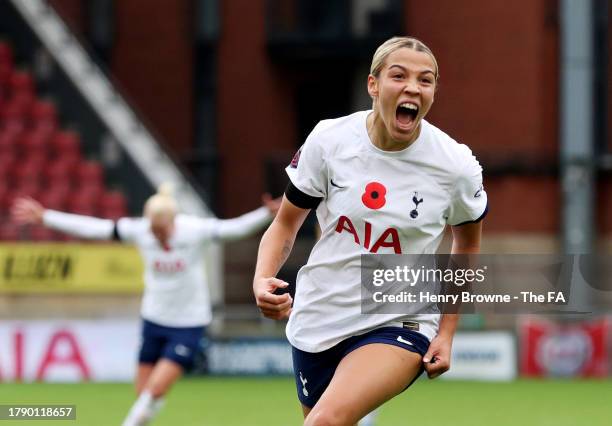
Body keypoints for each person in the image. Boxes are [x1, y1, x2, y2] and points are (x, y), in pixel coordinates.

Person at [253, 36, 487, 426]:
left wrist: (446, 332)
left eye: (425, 80)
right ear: (373, 85)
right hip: (320, 316)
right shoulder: (329, 140)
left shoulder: (455, 166)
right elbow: (286, 223)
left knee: (324, 422)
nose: (413, 87)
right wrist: (262, 278)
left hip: (402, 319)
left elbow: (466, 249)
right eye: (400, 75)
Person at [11, 185, 280, 426]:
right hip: (153, 319)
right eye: (154, 231)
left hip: (189, 323)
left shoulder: (194, 230)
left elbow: (233, 229)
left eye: (163, 231)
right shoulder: (139, 230)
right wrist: (46, 217)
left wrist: (265, 214)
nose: (158, 237)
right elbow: (94, 228)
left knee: (155, 390)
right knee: (143, 395)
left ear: (173, 222)